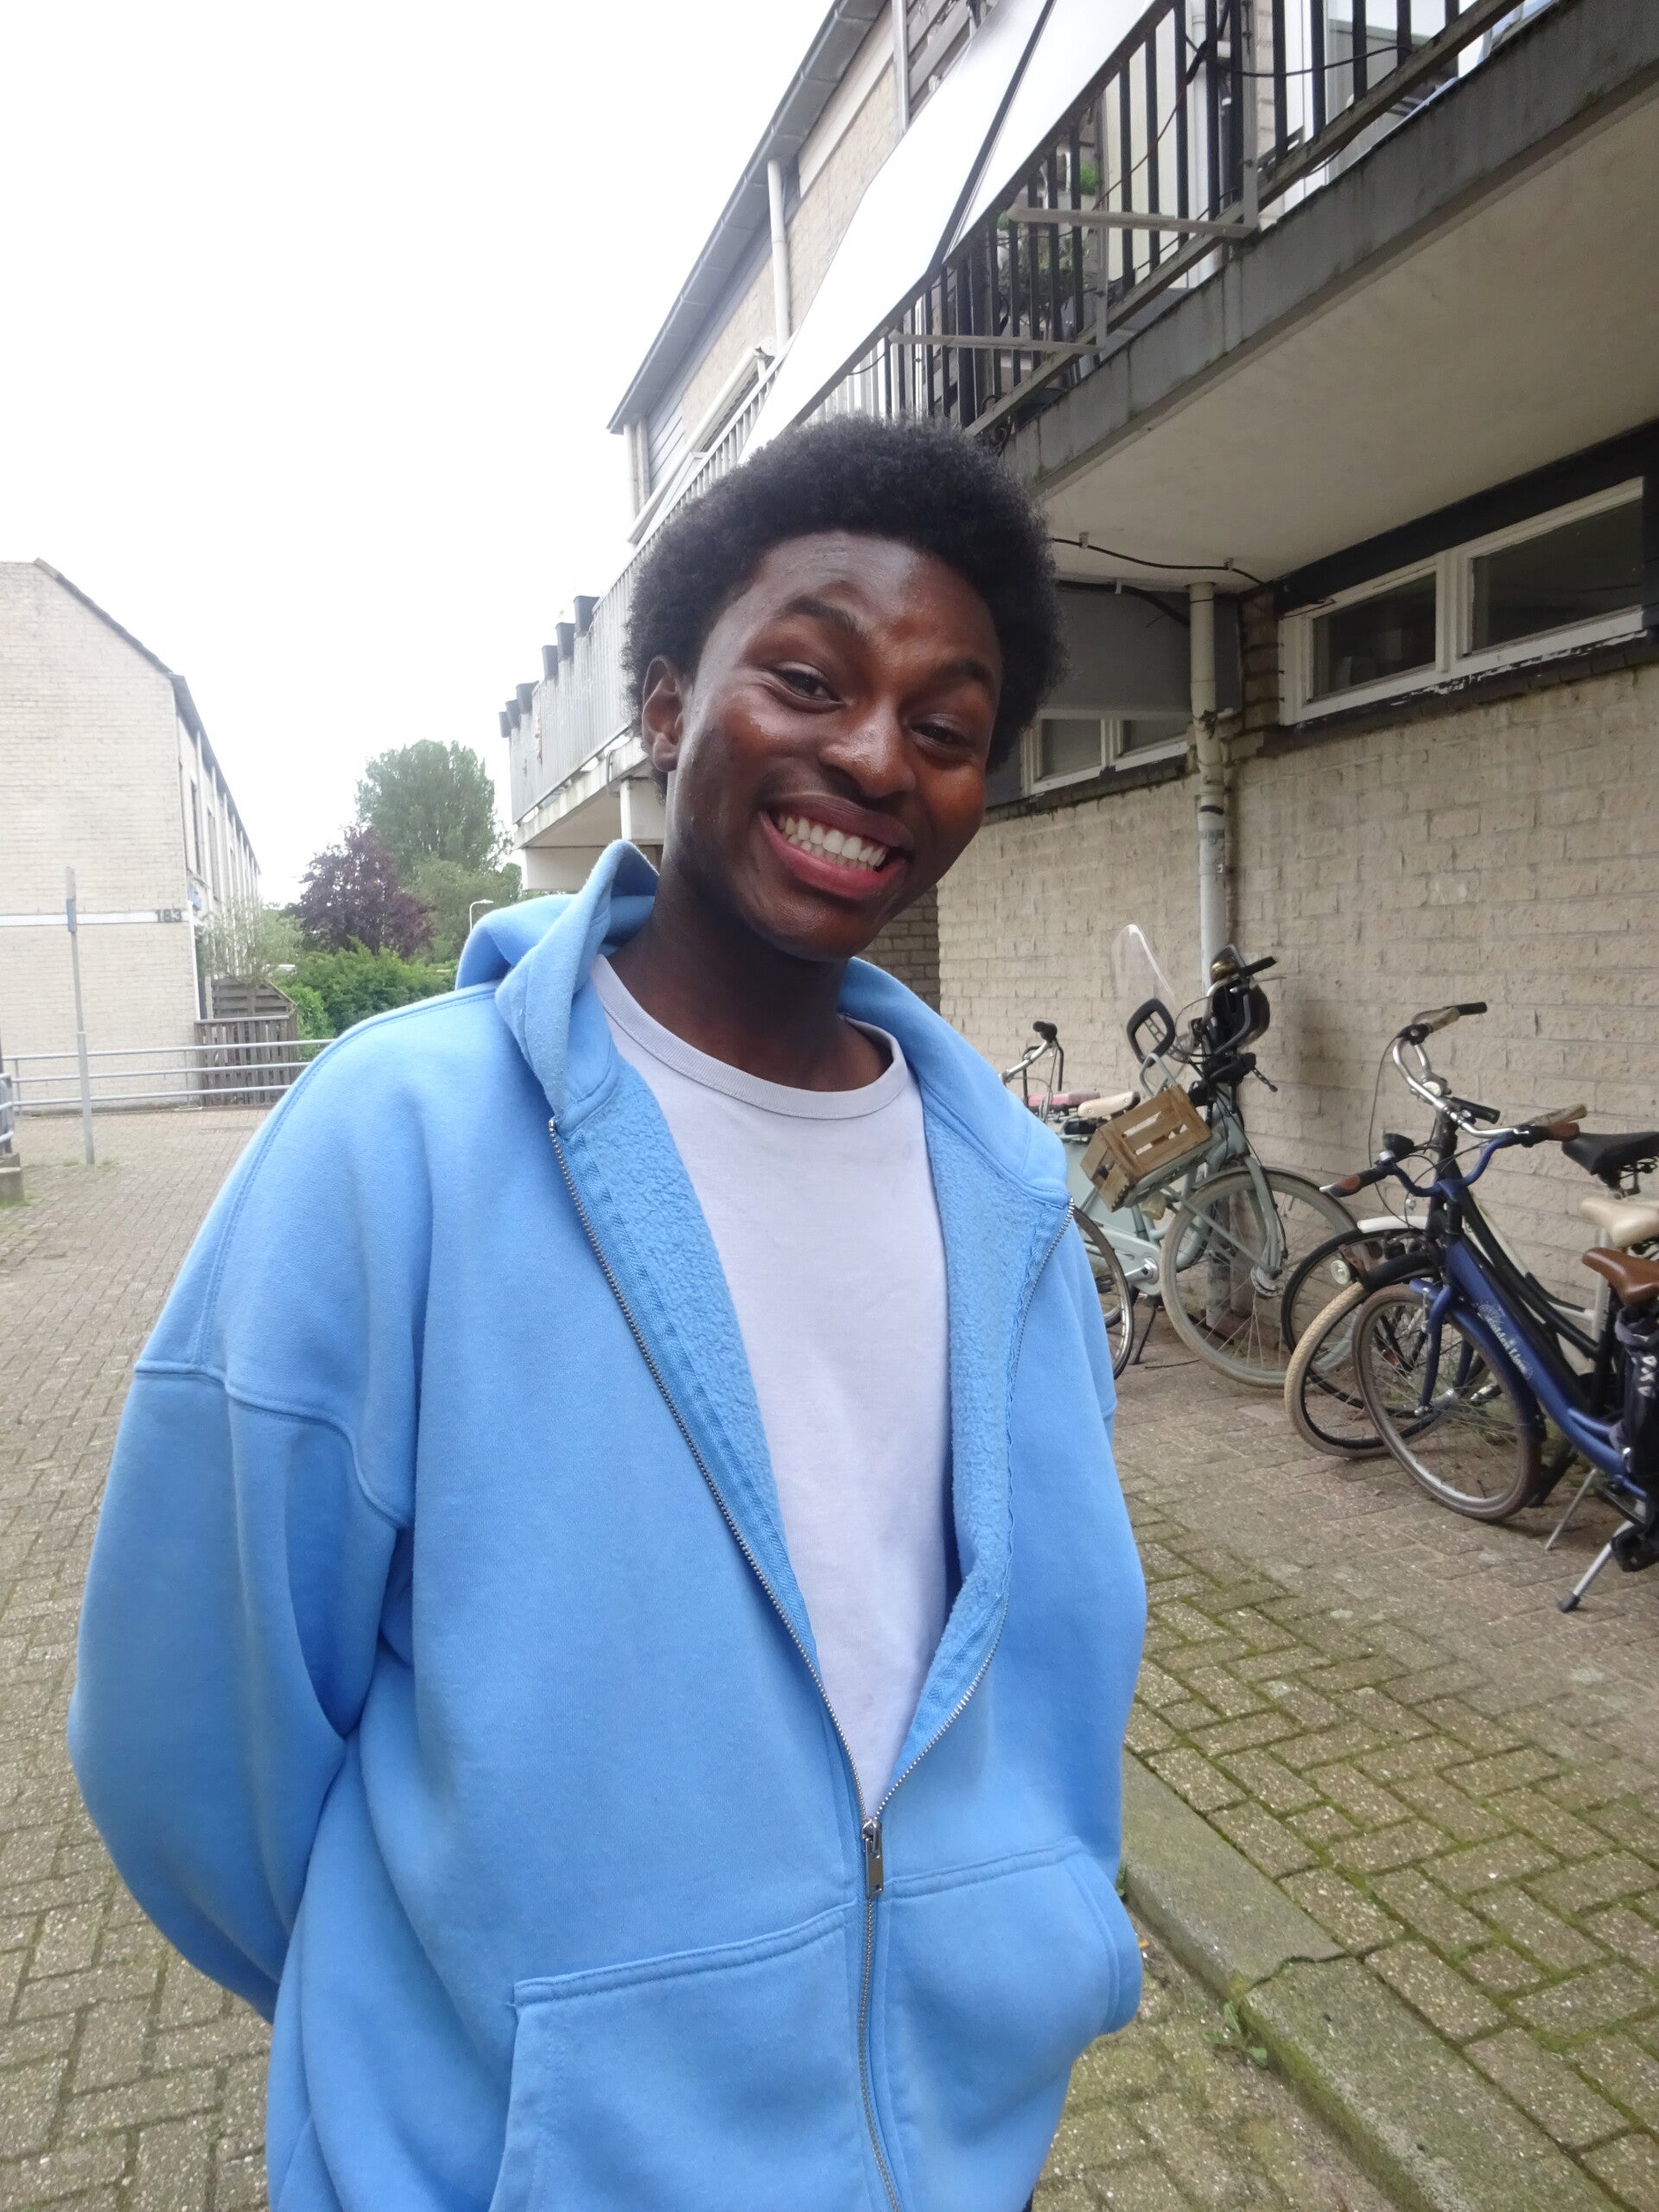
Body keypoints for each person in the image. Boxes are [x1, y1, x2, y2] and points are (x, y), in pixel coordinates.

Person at [70, 416, 1146, 2212]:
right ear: (664, 706)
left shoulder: (1013, 1196)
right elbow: (194, 1741)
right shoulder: (396, 1141)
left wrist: (1023, 1945)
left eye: (946, 727)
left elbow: (1052, 1679)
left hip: (950, 2155)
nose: (873, 755)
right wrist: (463, 2051)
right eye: (809, 678)